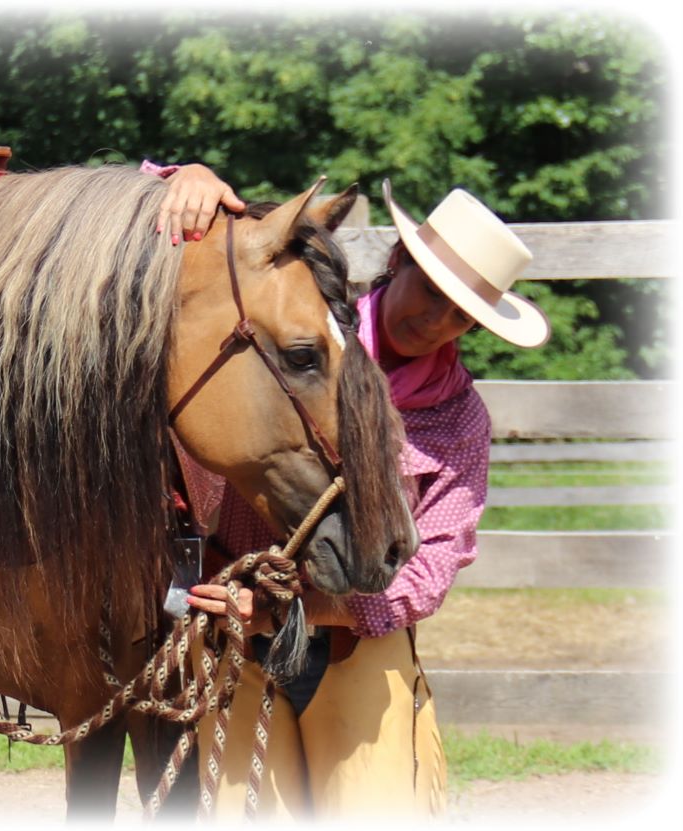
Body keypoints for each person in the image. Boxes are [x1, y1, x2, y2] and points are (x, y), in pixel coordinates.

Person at [144, 160, 551, 818]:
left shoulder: (456, 420)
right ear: (397, 261)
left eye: (462, 314)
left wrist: (304, 608)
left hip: (356, 646)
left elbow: (436, 558)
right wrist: (179, 174)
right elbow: (204, 262)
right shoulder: (288, 343)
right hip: (238, 642)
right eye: (432, 289)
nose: (438, 318)